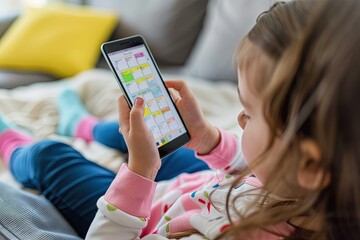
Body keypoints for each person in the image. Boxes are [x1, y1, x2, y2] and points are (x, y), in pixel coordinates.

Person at [0, 0, 349, 239]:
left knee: (51, 156)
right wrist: (209, 139)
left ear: (312, 163)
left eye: (251, 111)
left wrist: (139, 174)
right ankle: (82, 126)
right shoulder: (315, 186)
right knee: (153, 135)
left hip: (143, 211)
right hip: (203, 184)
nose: (240, 119)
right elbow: (260, 166)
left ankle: (10, 140)